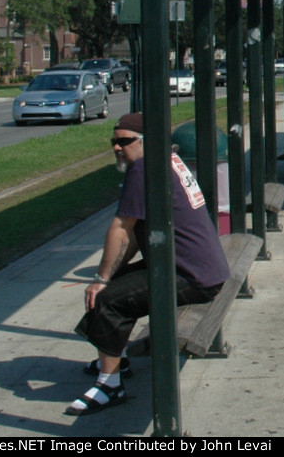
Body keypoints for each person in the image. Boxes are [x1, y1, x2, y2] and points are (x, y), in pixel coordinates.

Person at [67, 112, 230, 416]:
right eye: (114, 142)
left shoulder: (143, 168)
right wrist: (109, 275)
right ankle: (113, 359)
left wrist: (101, 279)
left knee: (108, 298)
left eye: (124, 141)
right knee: (115, 289)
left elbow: (122, 229)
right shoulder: (166, 161)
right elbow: (130, 240)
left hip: (192, 276)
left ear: (145, 142)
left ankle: (110, 386)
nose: (117, 147)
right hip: (201, 269)